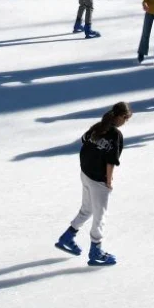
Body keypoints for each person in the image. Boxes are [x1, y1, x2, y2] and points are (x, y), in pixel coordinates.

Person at [54, 102, 132, 267]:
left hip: (85, 173)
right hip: (98, 179)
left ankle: (68, 236)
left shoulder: (97, 127)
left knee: (87, 209)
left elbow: (84, 140)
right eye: (126, 118)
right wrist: (108, 182)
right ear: (119, 116)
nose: (126, 121)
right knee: (100, 216)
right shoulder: (115, 135)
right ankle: (96, 251)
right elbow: (111, 161)